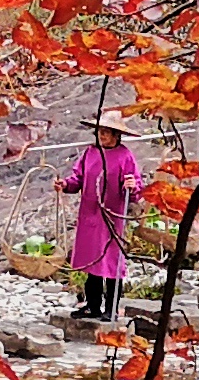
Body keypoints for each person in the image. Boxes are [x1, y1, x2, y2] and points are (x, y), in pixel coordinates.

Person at [55, 116, 141, 324]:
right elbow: (78, 179)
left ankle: (111, 308)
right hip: (90, 214)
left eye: (106, 132)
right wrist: (65, 184)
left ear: (116, 135)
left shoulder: (124, 156)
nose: (101, 135)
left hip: (112, 216)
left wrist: (132, 185)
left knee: (112, 262)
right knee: (92, 261)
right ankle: (93, 305)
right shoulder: (90, 153)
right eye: (100, 131)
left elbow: (135, 186)